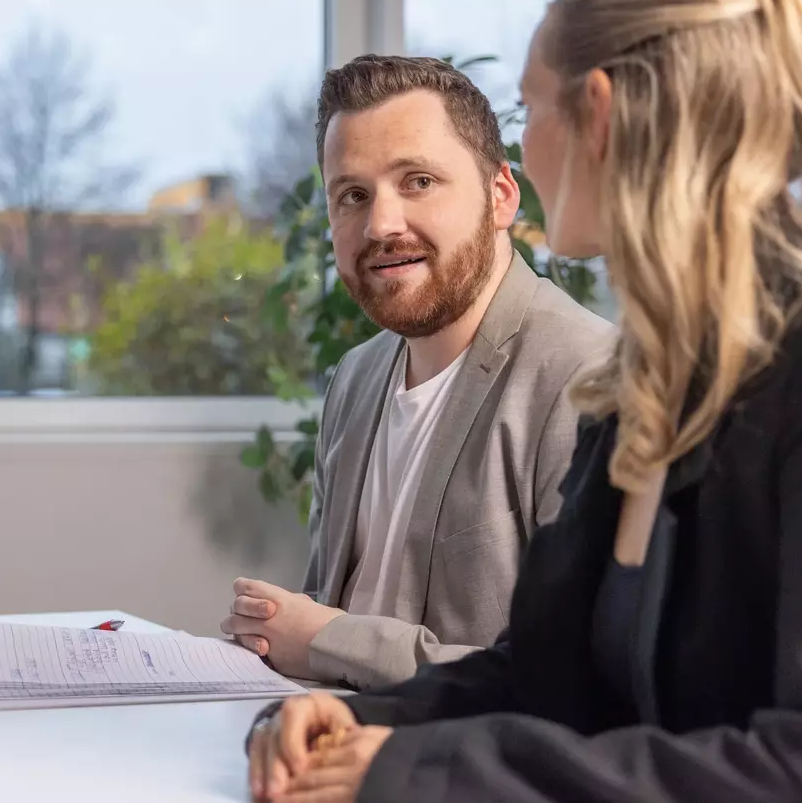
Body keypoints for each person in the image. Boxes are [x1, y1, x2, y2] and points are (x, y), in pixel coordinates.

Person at [244, 0, 802, 801]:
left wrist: (422, 770)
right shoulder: (645, 378)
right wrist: (351, 717)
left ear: (595, 114)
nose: (522, 147)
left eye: (528, 109)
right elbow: (547, 673)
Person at [220, 56, 612, 690]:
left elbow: (576, 678)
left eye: (419, 181)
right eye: (352, 195)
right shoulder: (356, 377)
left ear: (500, 196)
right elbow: (323, 611)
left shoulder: (587, 379)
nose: (381, 225)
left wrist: (327, 641)